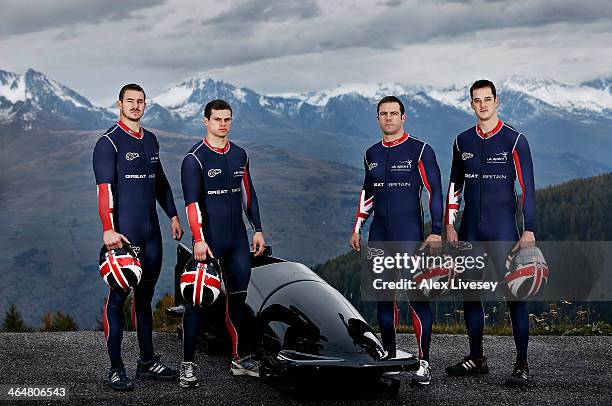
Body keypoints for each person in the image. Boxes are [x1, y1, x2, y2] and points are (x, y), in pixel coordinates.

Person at [444, 79, 536, 387]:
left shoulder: (515, 140)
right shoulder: (462, 141)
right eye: (476, 100)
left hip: (504, 232)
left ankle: (522, 364)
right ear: (471, 104)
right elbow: (455, 186)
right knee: (470, 293)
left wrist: (529, 229)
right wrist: (449, 223)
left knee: (515, 297)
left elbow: (528, 189)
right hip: (470, 230)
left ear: (497, 101)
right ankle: (477, 358)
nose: (482, 105)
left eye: (487, 99)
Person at [93, 83, 184, 390]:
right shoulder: (109, 143)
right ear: (119, 104)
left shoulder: (151, 141)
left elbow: (161, 183)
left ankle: (147, 362)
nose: (135, 106)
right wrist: (108, 228)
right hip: (123, 237)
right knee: (118, 300)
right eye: (129, 101)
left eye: (140, 101)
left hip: (152, 236)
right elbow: (104, 189)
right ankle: (116, 368)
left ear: (145, 106)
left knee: (144, 299)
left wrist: (172, 215)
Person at [349, 96, 443, 386]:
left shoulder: (420, 150)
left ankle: (423, 362)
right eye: (383, 114)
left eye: (394, 113)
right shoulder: (371, 153)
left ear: (404, 117)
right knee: (384, 299)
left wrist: (437, 230)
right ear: (378, 119)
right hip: (380, 236)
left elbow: (435, 193)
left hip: (410, 238)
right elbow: (368, 193)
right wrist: (357, 228)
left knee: (417, 300)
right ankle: (389, 354)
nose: (388, 118)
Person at [179, 99, 266, 388]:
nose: (223, 124)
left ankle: (239, 359)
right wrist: (199, 240)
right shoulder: (195, 159)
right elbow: (192, 205)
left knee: (238, 300)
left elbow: (248, 196)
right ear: (206, 121)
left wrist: (257, 230)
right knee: (196, 303)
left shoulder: (240, 155)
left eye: (227, 119)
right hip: (210, 242)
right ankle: (187, 365)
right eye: (217, 119)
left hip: (238, 241)